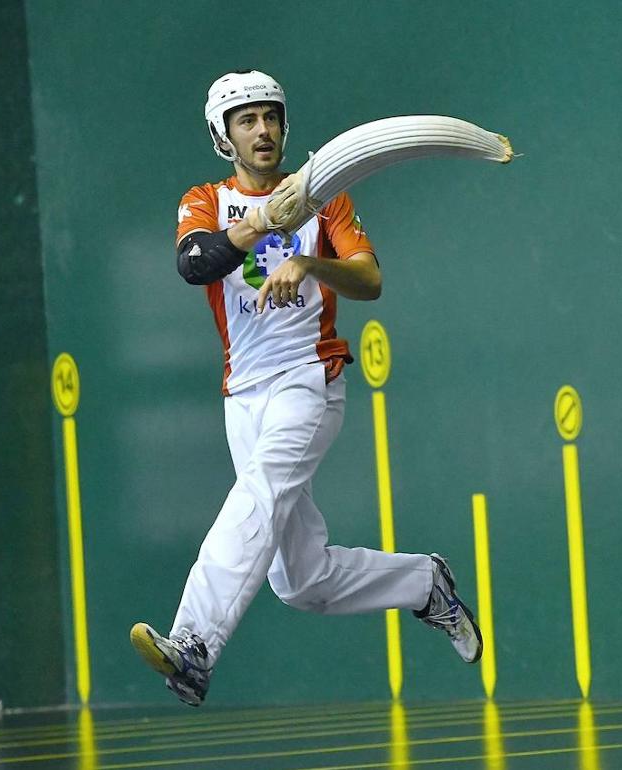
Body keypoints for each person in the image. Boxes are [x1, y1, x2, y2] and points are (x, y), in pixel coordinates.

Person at [130, 70, 482, 707]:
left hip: (309, 378)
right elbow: (194, 263)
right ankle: (424, 583)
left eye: (271, 116)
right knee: (301, 581)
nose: (263, 129)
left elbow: (369, 280)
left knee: (258, 493)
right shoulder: (205, 199)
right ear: (223, 137)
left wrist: (310, 262)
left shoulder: (327, 198)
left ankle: (194, 643)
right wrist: (266, 220)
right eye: (247, 120)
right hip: (243, 393)